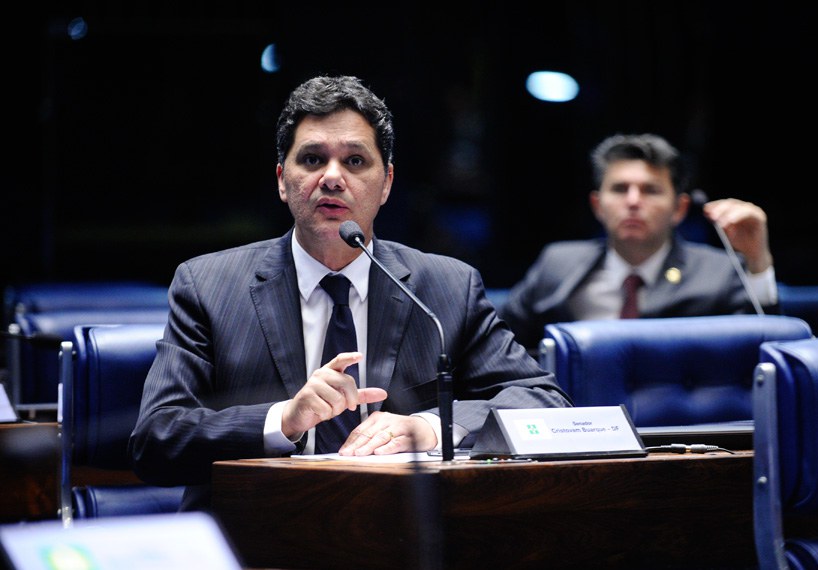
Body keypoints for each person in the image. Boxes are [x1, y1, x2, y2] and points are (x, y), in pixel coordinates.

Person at [128, 75, 572, 511]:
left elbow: (542, 400)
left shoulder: (447, 287)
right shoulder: (209, 286)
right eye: (313, 159)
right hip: (254, 530)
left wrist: (430, 427)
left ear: (387, 183)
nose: (332, 177)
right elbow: (156, 438)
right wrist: (283, 420)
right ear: (282, 180)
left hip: (402, 531)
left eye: (355, 161)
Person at [499, 133, 780, 350]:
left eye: (650, 190)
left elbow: (766, 352)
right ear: (597, 205)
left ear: (679, 209)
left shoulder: (717, 272)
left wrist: (758, 262)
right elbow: (498, 346)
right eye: (620, 189)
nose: (633, 201)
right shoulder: (557, 263)